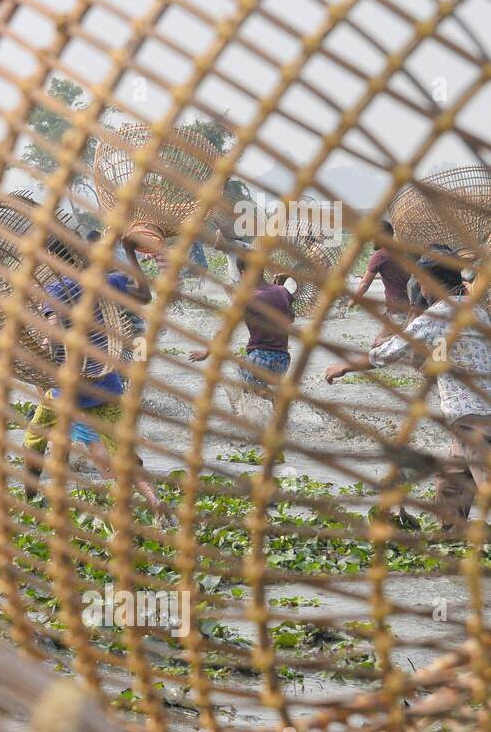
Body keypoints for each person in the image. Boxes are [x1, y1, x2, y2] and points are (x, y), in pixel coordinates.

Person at [326, 252, 491, 524]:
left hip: (472, 417)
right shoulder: (477, 311)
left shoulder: (437, 315)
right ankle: (450, 537)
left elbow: (390, 351)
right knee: (450, 484)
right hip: (469, 414)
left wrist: (345, 367)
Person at [23, 237, 167, 520]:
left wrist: (41, 348)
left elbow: (52, 332)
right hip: (106, 381)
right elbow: (144, 296)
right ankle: (155, 500)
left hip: (68, 388)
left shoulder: (56, 288)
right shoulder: (108, 281)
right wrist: (128, 252)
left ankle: (30, 500)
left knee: (33, 440)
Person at [189, 246, 295, 402]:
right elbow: (290, 318)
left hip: (260, 359)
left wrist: (206, 353)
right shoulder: (281, 291)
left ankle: (270, 399)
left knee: (242, 387)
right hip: (283, 361)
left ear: (243, 273)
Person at [352, 222, 414, 346]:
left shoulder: (380, 256)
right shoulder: (405, 251)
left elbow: (364, 284)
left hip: (398, 310)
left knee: (385, 346)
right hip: (409, 306)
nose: (371, 240)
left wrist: (352, 300)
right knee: (381, 345)